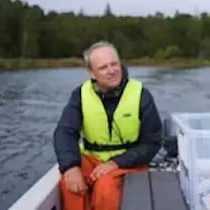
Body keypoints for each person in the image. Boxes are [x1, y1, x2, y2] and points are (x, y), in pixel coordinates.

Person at [53, 41, 163, 210]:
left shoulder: (141, 94)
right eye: (104, 67)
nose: (112, 71)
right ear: (91, 73)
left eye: (115, 64)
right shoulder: (80, 95)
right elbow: (64, 132)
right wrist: (70, 167)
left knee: (106, 187)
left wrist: (115, 163)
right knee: (70, 184)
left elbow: (152, 142)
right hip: (92, 158)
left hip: (129, 162)